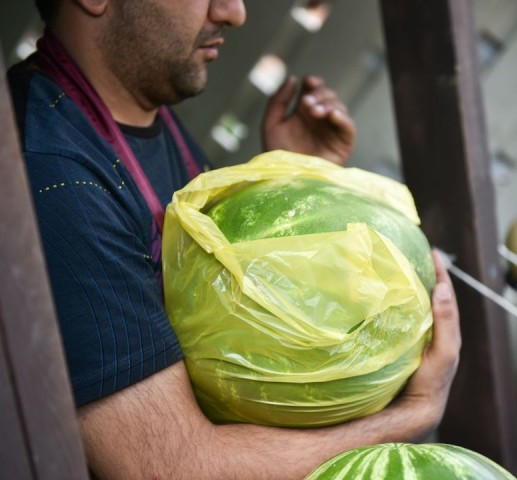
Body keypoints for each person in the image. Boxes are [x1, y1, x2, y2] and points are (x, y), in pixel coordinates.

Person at [7, 0, 461, 478]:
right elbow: (174, 467)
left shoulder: (137, 111)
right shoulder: (53, 176)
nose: (234, 12)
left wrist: (290, 190)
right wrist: (415, 411)